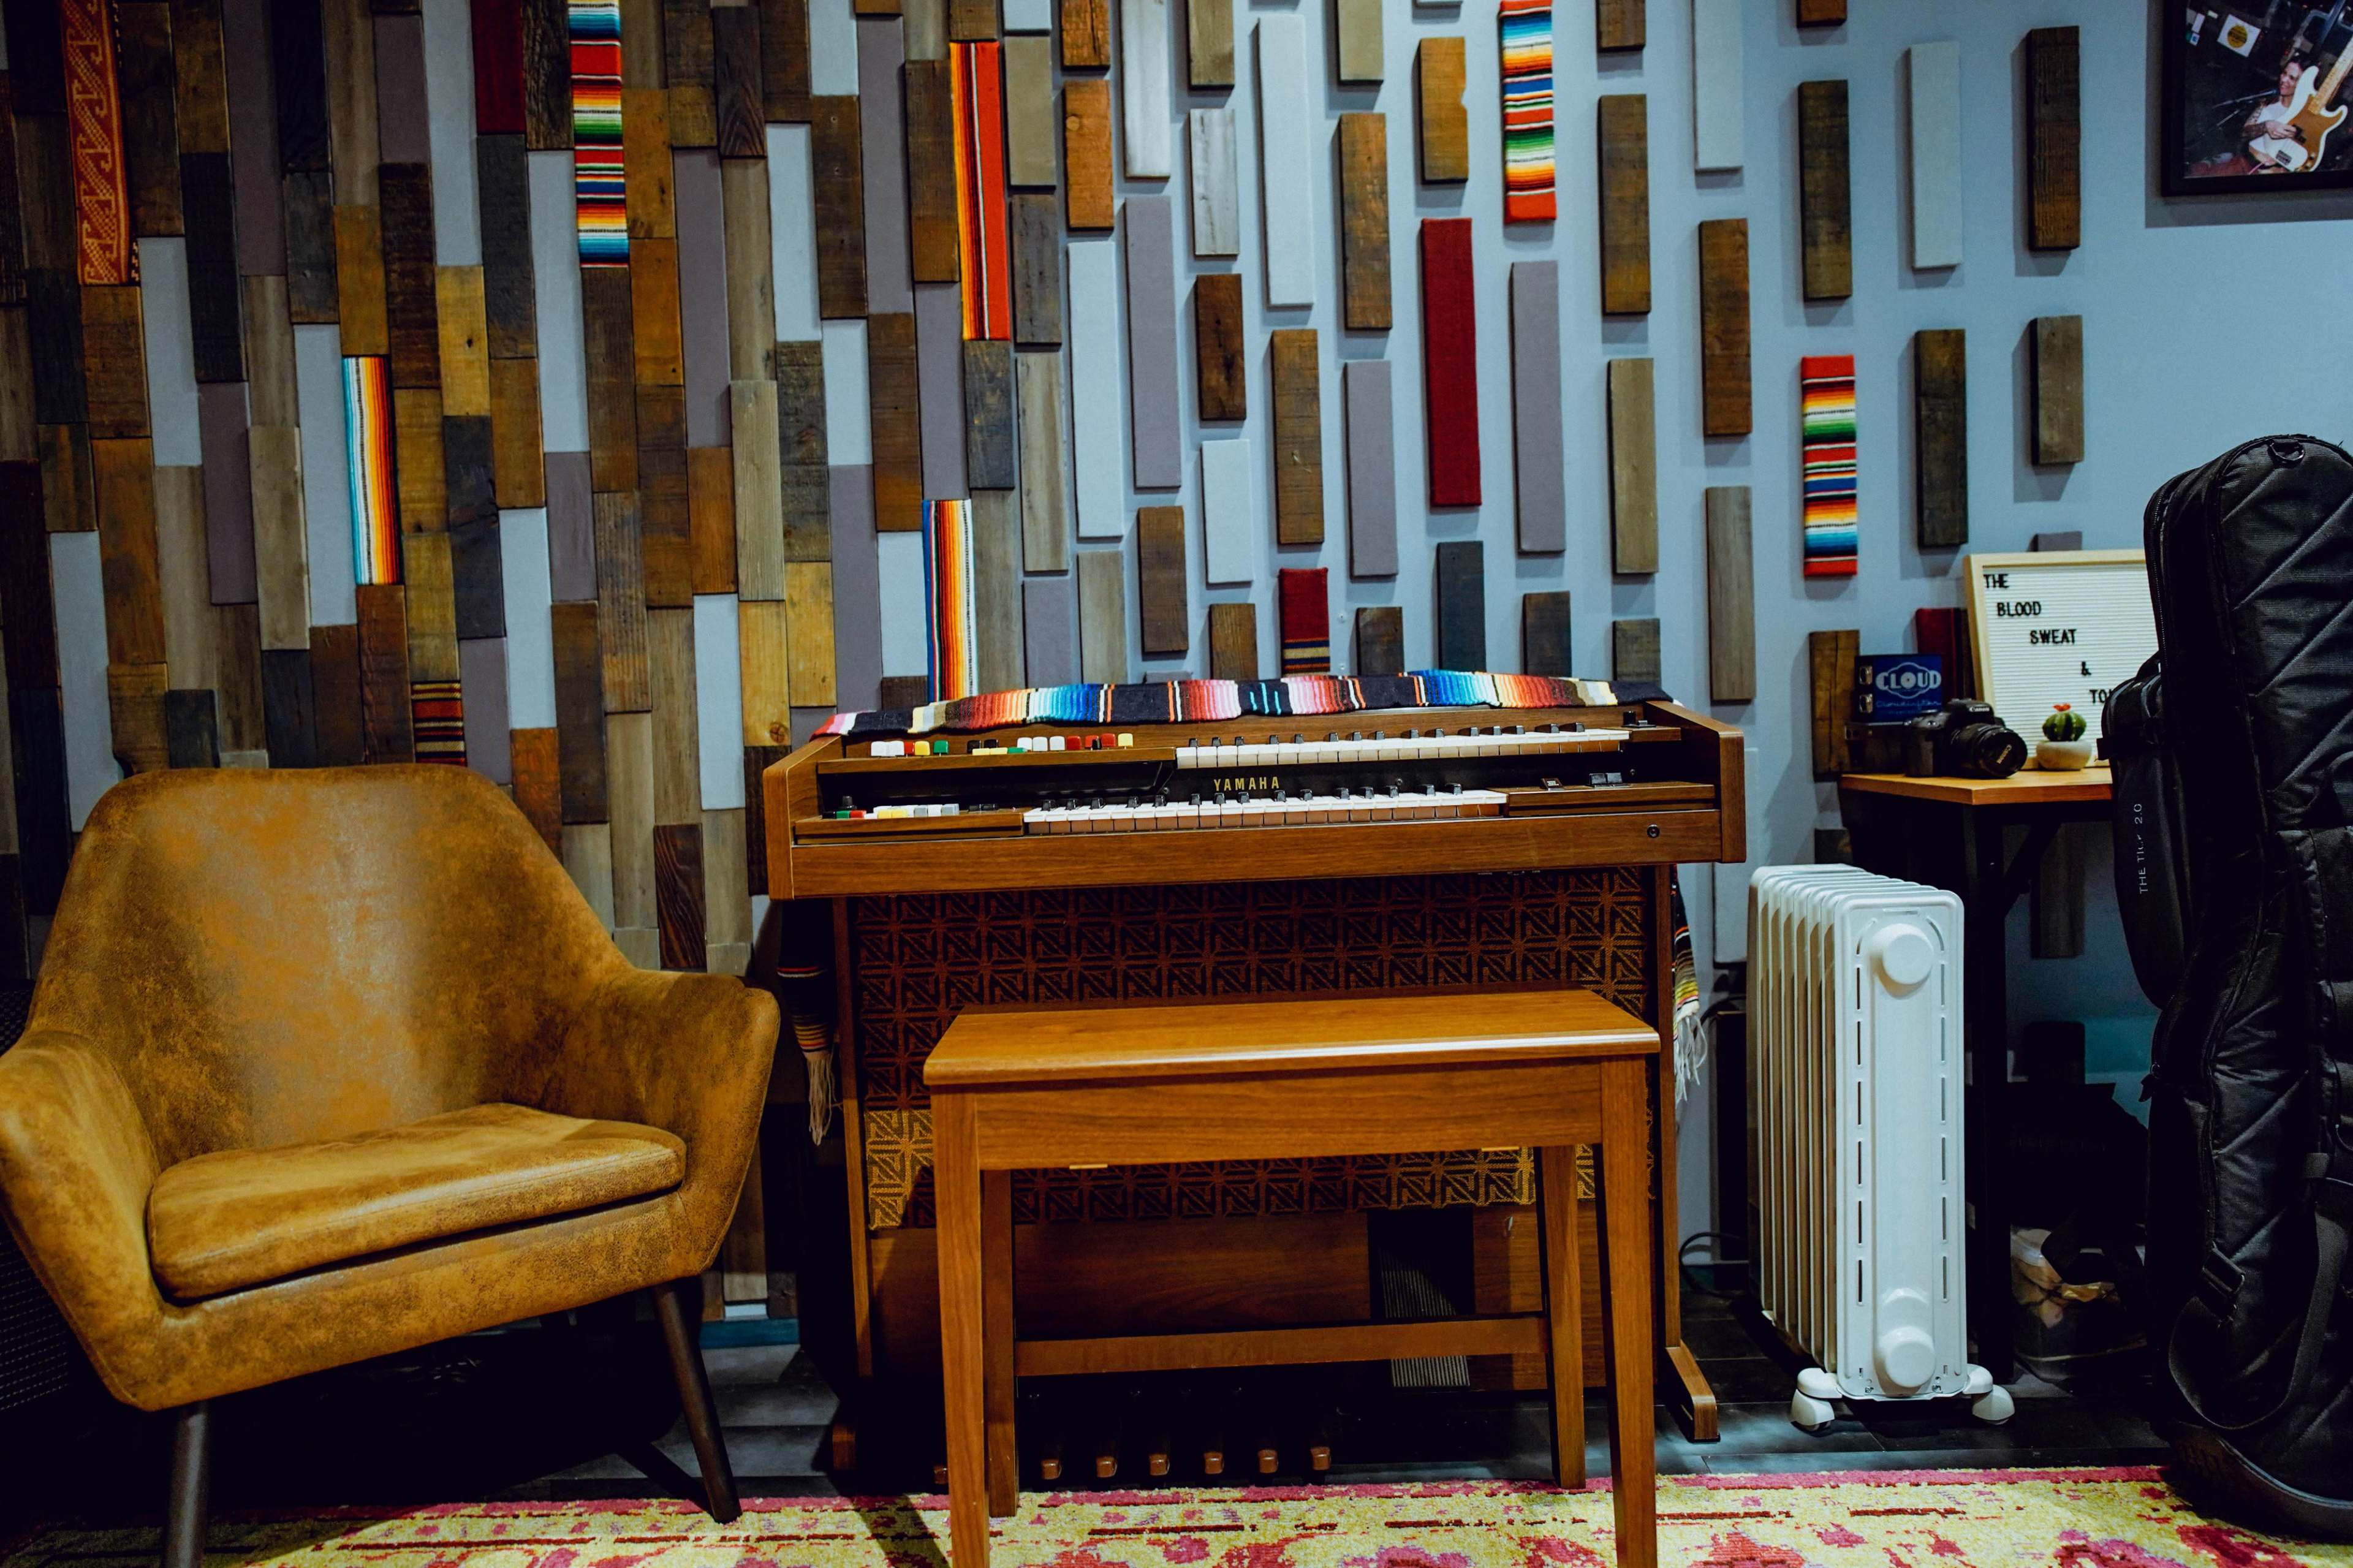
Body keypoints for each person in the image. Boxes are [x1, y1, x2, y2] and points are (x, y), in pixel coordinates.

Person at [2246, 53, 2316, 169]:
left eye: (2292, 78)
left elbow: (2303, 154)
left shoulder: (2304, 116)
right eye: (2284, 73)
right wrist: (2266, 126)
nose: (2284, 79)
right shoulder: (2270, 98)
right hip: (2245, 160)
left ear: (2304, 85)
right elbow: (2244, 133)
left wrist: (2278, 161)